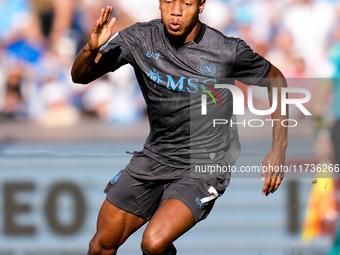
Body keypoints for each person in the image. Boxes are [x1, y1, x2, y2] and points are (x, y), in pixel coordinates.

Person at [71, 1, 287, 254]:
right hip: (155, 156)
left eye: (186, 3)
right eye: (168, 2)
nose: (176, 10)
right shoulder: (140, 38)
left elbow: (276, 80)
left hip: (204, 164)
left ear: (200, 6)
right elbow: (80, 76)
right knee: (101, 245)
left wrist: (278, 149)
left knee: (154, 242)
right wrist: (89, 49)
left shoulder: (226, 50)